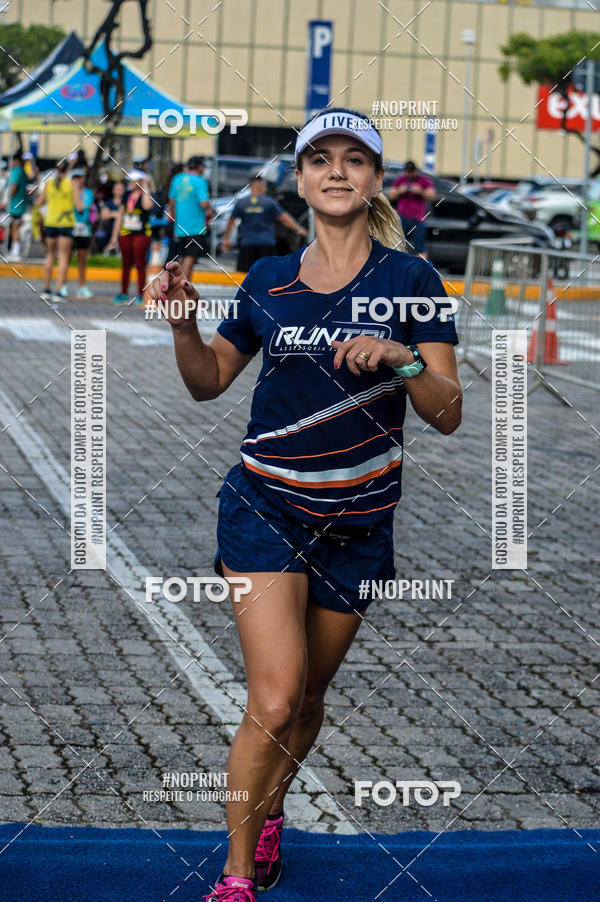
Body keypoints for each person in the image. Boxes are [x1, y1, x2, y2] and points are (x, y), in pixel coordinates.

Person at [148, 105, 461, 902]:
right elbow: (208, 382)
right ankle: (236, 874)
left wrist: (399, 360)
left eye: (353, 159)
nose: (335, 170)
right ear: (299, 178)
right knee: (277, 695)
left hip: (358, 521)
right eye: (319, 158)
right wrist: (184, 327)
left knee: (310, 700)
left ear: (375, 179)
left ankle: (274, 810)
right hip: (264, 506)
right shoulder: (266, 280)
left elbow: (448, 409)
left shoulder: (412, 280)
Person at [221, 173, 307, 272]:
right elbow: (284, 218)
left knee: (244, 276)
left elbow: (231, 222)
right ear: (262, 186)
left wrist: (226, 239)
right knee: (267, 274)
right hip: (266, 244)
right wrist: (298, 229)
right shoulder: (270, 202)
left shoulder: (241, 203)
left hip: (247, 244)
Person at [36, 159, 82, 302]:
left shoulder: (49, 184)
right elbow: (79, 206)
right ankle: (58, 292)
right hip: (66, 223)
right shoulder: (71, 184)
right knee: (63, 256)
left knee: (50, 255)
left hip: (50, 222)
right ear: (67, 170)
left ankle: (46, 289)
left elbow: (39, 203)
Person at [110, 169, 153, 304]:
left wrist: (146, 186)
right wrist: (114, 236)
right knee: (126, 264)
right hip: (126, 233)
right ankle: (123, 292)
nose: (130, 183)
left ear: (140, 181)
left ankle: (141, 294)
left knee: (140, 264)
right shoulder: (127, 195)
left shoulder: (145, 194)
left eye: (134, 180)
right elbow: (120, 216)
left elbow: (147, 206)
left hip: (141, 234)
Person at [168, 156, 214, 279]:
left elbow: (171, 201)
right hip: (195, 227)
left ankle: (179, 285)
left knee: (182, 257)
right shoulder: (200, 181)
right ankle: (184, 287)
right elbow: (203, 203)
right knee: (190, 257)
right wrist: (211, 209)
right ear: (199, 167)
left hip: (179, 226)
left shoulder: (177, 179)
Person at [387, 160, 435, 258]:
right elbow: (391, 196)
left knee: (420, 245)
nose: (409, 174)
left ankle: (421, 267)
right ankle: (399, 266)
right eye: (407, 172)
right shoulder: (401, 180)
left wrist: (420, 191)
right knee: (399, 243)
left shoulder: (424, 180)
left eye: (411, 171)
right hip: (402, 217)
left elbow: (432, 196)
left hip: (418, 218)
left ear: (415, 170)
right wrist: (400, 191)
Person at [70, 169, 95, 299]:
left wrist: (75, 192)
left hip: (84, 228)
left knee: (82, 259)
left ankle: (82, 286)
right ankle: (62, 285)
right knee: (66, 257)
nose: (79, 180)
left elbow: (80, 207)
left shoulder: (88, 193)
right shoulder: (69, 192)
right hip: (70, 226)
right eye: (76, 177)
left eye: (81, 177)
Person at [6, 150, 29, 261]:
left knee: (14, 226)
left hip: (15, 204)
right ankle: (15, 248)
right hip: (20, 203)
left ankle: (15, 250)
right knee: (15, 226)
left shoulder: (16, 171)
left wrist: (7, 199)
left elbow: (13, 186)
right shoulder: (23, 171)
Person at [95, 180, 125, 253]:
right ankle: (113, 242)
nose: (119, 191)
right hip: (108, 229)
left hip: (123, 228)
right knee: (118, 216)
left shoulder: (126, 202)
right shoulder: (109, 203)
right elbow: (104, 215)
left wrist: (114, 214)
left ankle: (113, 243)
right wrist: (115, 214)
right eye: (117, 189)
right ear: (113, 190)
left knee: (119, 217)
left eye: (121, 189)